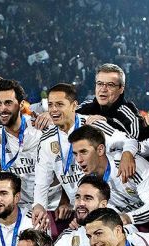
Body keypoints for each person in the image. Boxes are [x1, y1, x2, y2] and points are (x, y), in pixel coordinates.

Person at [32, 83, 137, 235]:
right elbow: (42, 180)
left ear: (74, 105)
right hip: (80, 210)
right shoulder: (46, 141)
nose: (54, 110)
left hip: (110, 206)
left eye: (60, 104)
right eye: (51, 105)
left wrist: (128, 154)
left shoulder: (93, 125)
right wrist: (39, 205)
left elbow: (129, 140)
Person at [70, 125, 149, 246]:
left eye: (84, 152)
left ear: (100, 150)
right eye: (75, 154)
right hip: (137, 226)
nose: (79, 160)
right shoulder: (89, 182)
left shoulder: (130, 164)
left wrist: (127, 218)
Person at [0, 79, 38, 207]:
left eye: (8, 103)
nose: (2, 109)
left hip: (47, 204)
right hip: (14, 205)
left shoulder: (38, 127)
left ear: (21, 105)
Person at [77, 63, 143, 139]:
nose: (103, 89)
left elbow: (137, 144)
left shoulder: (129, 116)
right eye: (100, 84)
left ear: (121, 89)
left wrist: (108, 122)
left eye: (110, 85)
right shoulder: (84, 107)